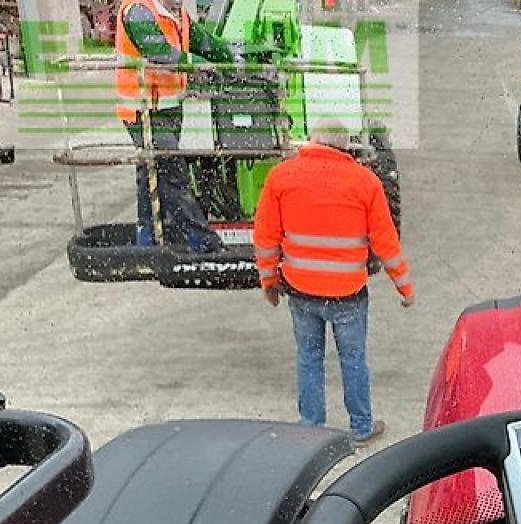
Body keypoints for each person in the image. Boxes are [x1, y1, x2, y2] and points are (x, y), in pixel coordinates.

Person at [252, 121, 414, 447]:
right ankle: (361, 429)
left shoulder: (282, 176)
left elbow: (266, 237)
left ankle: (311, 427)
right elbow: (385, 240)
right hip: (348, 295)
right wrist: (404, 287)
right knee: (353, 360)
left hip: (300, 290)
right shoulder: (365, 182)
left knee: (309, 358)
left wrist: (268, 280)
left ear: (313, 141)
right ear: (347, 147)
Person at [114, 0, 229, 251]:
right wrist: (197, 64)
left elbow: (205, 42)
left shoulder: (178, 14)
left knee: (151, 172)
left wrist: (231, 57)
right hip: (143, 109)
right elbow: (159, 52)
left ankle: (149, 238)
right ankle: (201, 242)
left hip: (168, 108)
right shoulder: (138, 11)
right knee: (171, 174)